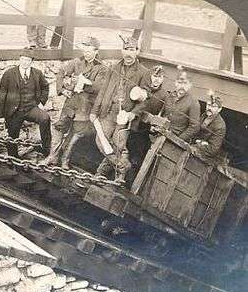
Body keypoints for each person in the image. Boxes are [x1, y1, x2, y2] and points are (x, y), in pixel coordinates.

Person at [90, 36, 151, 184]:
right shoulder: (114, 67)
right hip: (108, 111)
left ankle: (108, 174)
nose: (128, 54)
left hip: (124, 116)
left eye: (132, 50)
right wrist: (94, 111)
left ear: (137, 51)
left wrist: (132, 114)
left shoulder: (144, 72)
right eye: (126, 50)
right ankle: (123, 166)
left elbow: (146, 99)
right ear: (122, 51)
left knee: (118, 145)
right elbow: (103, 90)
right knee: (101, 140)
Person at [42, 36, 107, 168]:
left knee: (76, 134)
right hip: (71, 103)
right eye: (85, 50)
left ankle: (65, 159)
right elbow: (61, 71)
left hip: (85, 106)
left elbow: (100, 87)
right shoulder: (77, 62)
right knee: (59, 127)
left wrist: (83, 84)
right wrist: (62, 89)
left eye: (89, 51)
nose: (86, 53)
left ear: (96, 51)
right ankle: (52, 157)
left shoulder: (102, 68)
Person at [0, 49, 51, 158]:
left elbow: (45, 87)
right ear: (19, 59)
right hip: (15, 110)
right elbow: (2, 93)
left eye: (28, 60)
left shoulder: (37, 73)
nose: (25, 62)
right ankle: (13, 157)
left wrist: (41, 103)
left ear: (32, 61)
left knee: (45, 118)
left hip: (31, 108)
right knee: (12, 133)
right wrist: (0, 115)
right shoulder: (9, 73)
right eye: (23, 59)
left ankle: (46, 149)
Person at [163, 66, 200, 142]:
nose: (182, 86)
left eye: (185, 83)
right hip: (162, 133)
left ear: (190, 85)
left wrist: (178, 140)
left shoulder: (193, 102)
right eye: (180, 83)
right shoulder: (169, 96)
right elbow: (165, 114)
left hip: (175, 139)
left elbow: (194, 127)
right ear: (175, 83)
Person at [190, 91, 226, 159]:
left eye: (213, 106)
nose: (210, 108)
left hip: (202, 156)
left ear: (219, 109)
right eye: (208, 105)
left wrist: (198, 143)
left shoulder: (220, 126)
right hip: (193, 145)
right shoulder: (204, 115)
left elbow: (213, 149)